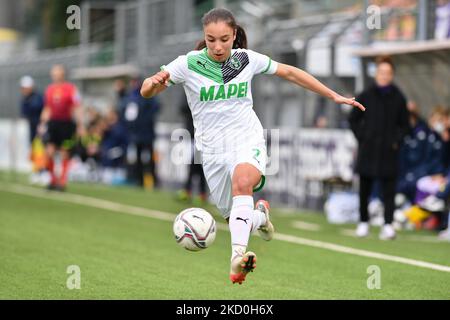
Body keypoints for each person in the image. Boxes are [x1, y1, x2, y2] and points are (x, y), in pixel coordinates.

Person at [140, 8, 365, 284]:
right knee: (234, 217)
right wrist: (151, 84)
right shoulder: (188, 64)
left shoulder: (246, 59)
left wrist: (334, 95)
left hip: (247, 139)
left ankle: (237, 259)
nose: (218, 46)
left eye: (224, 38)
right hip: (212, 152)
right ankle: (259, 218)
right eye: (211, 39)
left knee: (242, 181)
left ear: (234, 35)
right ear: (204, 37)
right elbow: (148, 90)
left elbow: (290, 73)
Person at [349, 56, 409, 240]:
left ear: (392, 75)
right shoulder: (366, 94)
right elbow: (353, 119)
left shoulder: (398, 97)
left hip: (388, 152)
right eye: (381, 72)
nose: (384, 76)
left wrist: (396, 141)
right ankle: (363, 223)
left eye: (388, 73)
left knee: (389, 191)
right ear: (376, 73)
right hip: (368, 150)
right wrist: (363, 137)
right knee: (364, 189)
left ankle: (388, 225)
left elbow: (405, 125)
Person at [39, 65, 84, 191]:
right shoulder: (49, 90)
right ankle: (53, 180)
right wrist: (42, 123)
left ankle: (62, 182)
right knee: (50, 151)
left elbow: (77, 106)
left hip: (67, 124)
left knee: (65, 152)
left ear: (62, 74)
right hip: (53, 123)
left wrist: (80, 125)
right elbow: (47, 108)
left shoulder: (70, 89)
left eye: (58, 73)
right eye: (54, 73)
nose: (55, 75)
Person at [122, 76, 160, 189]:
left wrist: (145, 120)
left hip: (147, 133)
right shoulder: (131, 97)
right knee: (138, 158)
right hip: (137, 133)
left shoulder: (148, 95)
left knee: (150, 158)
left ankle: (153, 181)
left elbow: (156, 108)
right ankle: (139, 180)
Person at [177, 97, 208, 203]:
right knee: (194, 163)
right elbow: (182, 108)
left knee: (197, 164)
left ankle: (194, 192)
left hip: (202, 134)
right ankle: (197, 192)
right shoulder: (188, 92)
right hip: (191, 133)